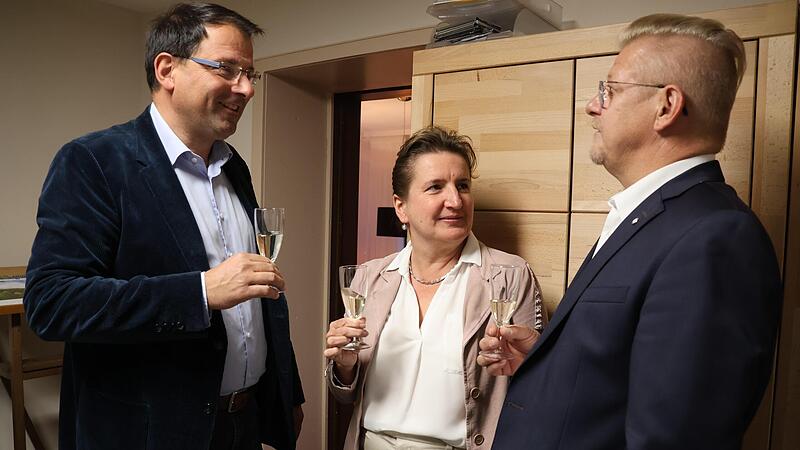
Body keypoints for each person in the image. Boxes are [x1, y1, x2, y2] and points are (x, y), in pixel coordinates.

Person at [476, 13, 784, 449]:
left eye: (610, 90)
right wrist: (549, 361)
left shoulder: (715, 238)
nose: (593, 105)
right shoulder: (651, 218)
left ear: (666, 106)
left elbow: (673, 437)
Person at [23, 3, 304, 450]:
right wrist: (200, 293)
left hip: (244, 423)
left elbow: (256, 298)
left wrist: (287, 393)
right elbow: (52, 302)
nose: (246, 89)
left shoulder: (235, 168)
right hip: (150, 433)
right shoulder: (94, 161)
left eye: (250, 73)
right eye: (228, 69)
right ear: (167, 69)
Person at [324, 126, 546, 450]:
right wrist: (344, 366)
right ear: (401, 207)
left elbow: (535, 389)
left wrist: (530, 364)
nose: (455, 200)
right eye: (435, 187)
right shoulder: (370, 277)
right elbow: (344, 393)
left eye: (463, 185)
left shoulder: (510, 275)